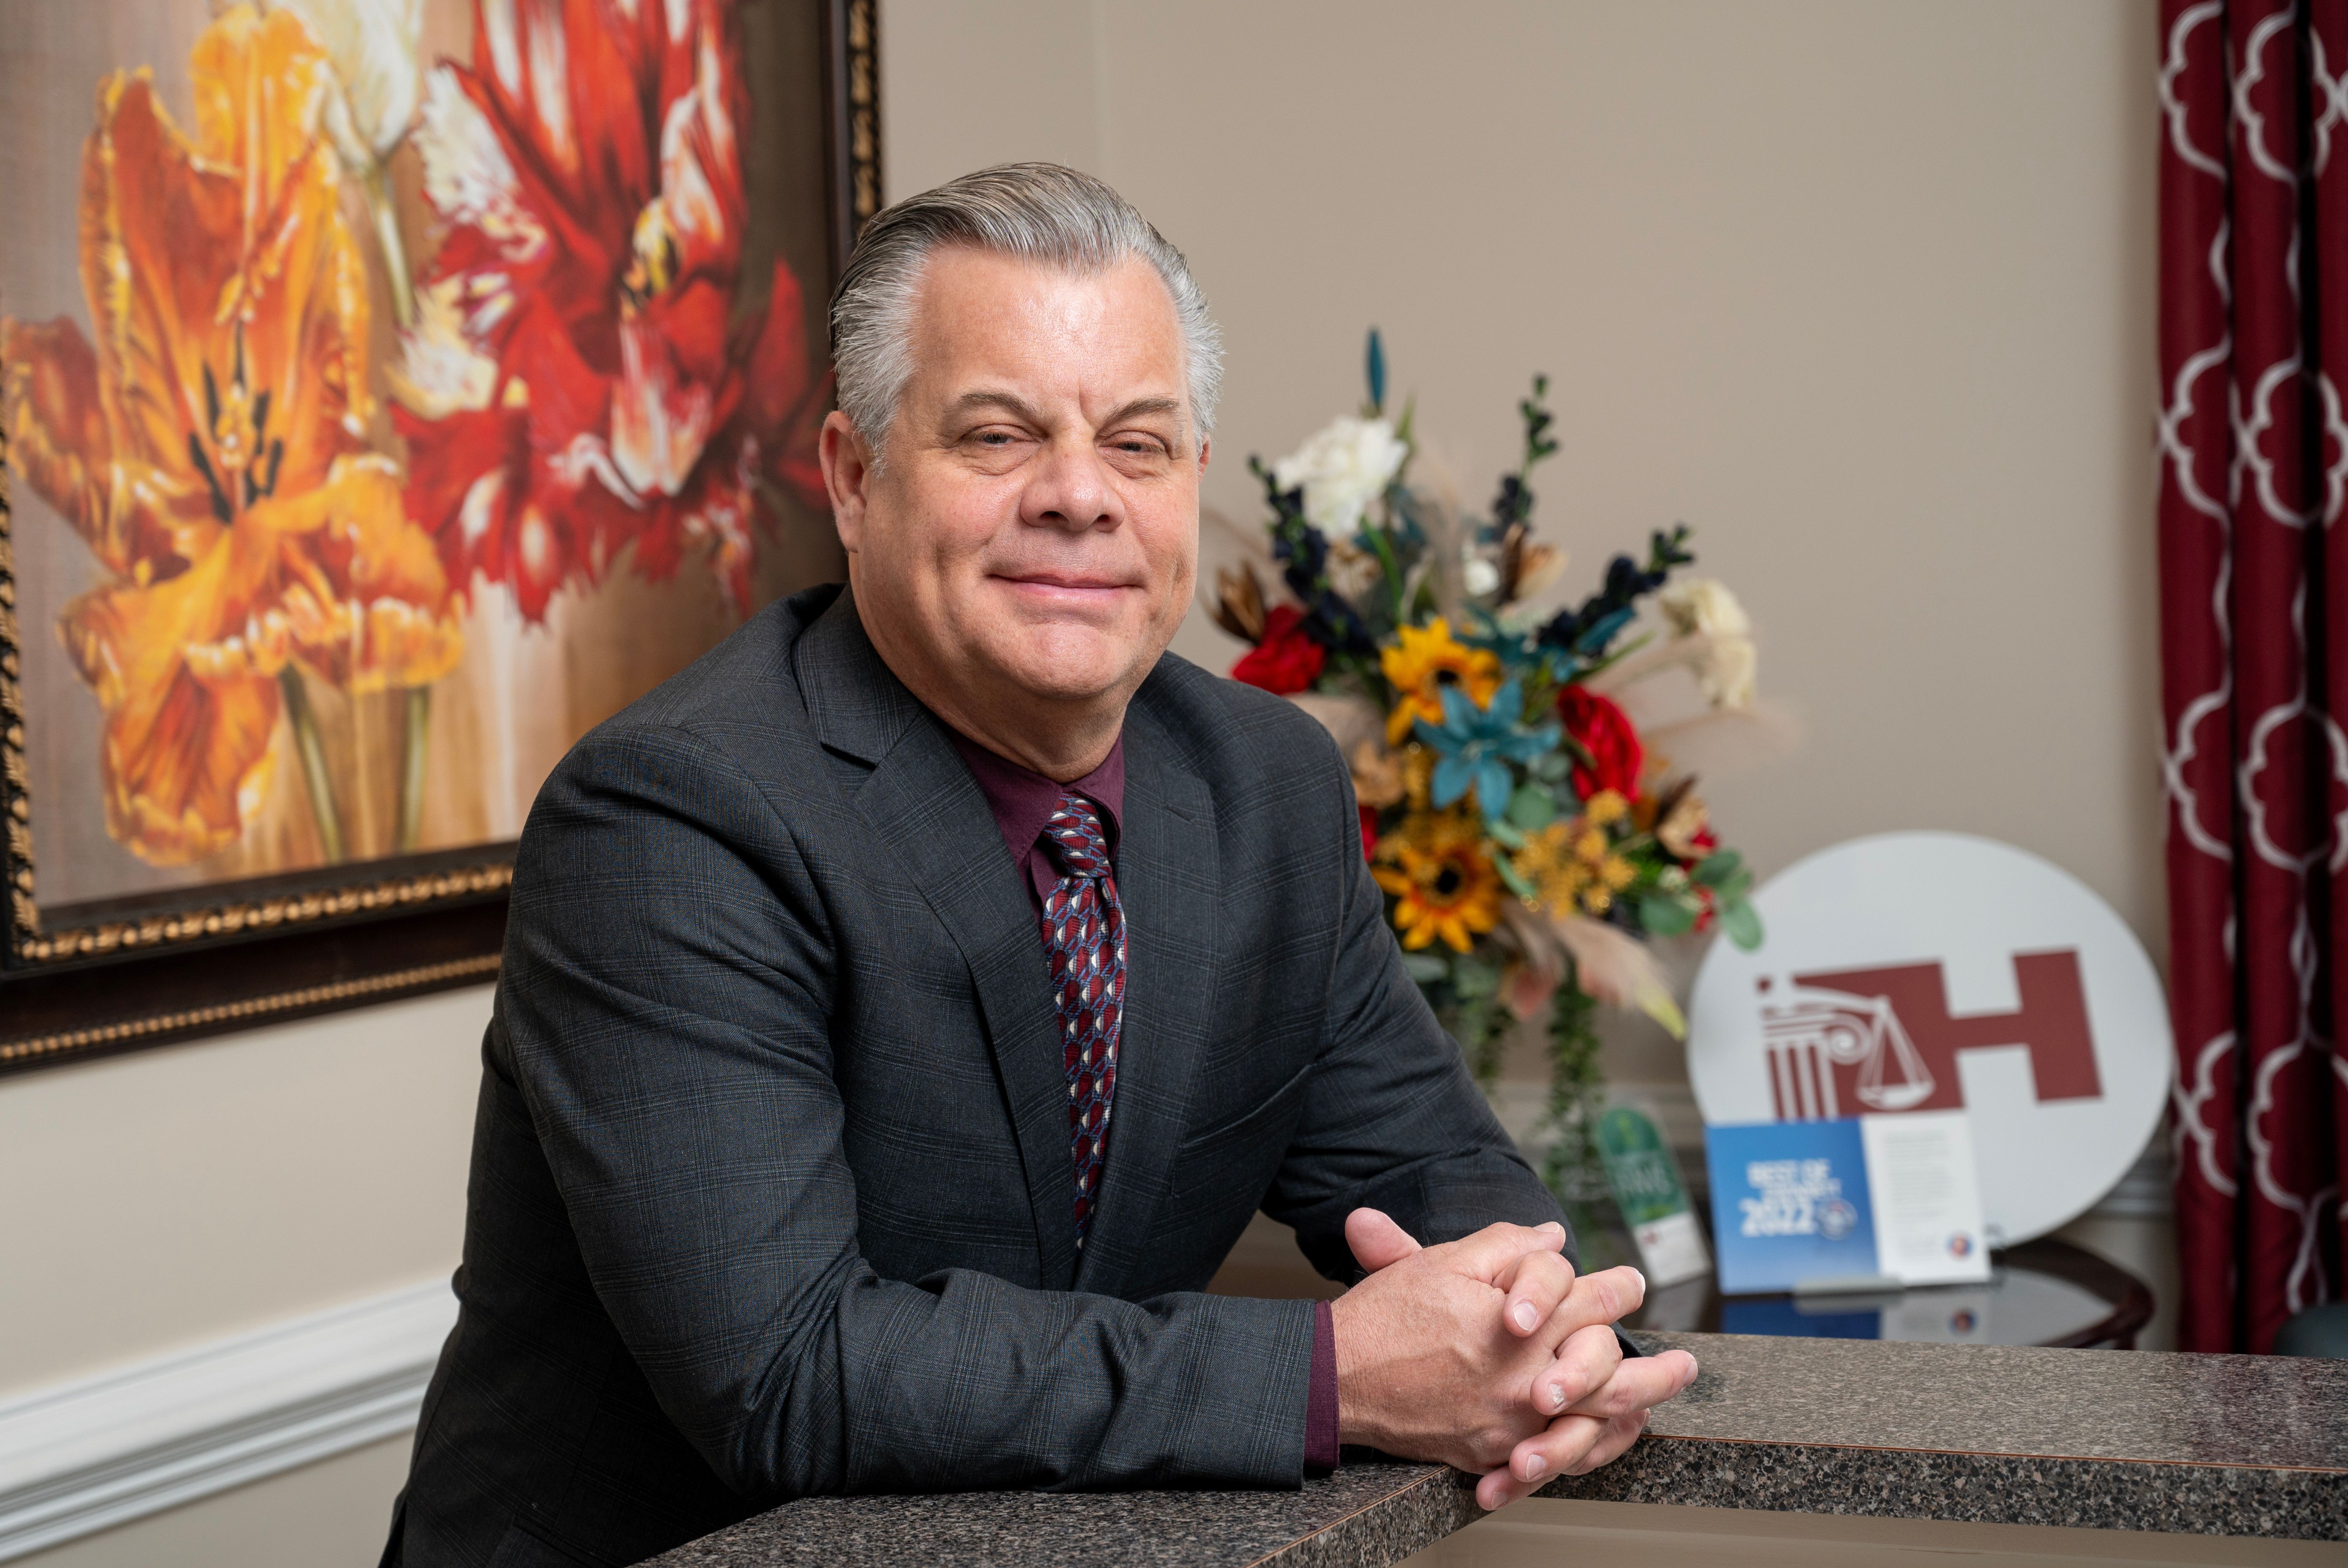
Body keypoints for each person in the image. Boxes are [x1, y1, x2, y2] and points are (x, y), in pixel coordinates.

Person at [382, 163, 1698, 1568]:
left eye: (1138, 444)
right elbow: (788, 1372)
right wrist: (1329, 1375)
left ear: (1192, 478)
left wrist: (1545, 1329)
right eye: (998, 435)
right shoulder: (675, 814)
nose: (1080, 496)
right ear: (853, 476)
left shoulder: (1266, 782)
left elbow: (1435, 1171)